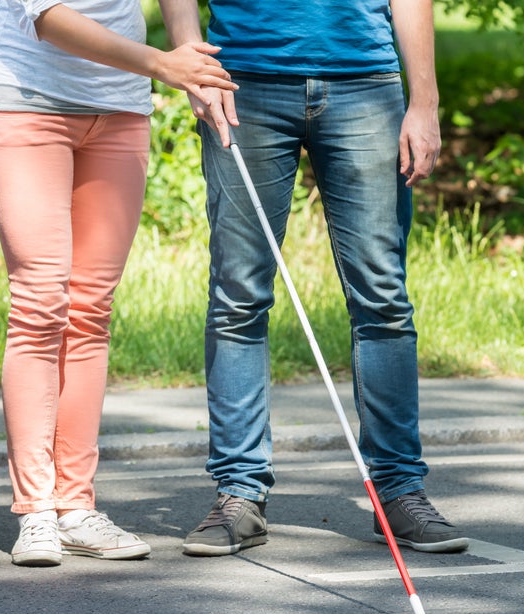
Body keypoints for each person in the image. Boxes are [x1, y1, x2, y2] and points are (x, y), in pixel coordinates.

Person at [165, 0, 470, 556]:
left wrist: (425, 101)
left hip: (366, 85)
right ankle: (239, 492)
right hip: (243, 83)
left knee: (383, 299)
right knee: (238, 296)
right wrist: (191, 60)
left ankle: (398, 490)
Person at [0, 0, 236, 567]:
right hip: (27, 104)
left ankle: (75, 506)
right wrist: (162, 64)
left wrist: (191, 57)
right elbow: (47, 17)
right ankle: (36, 512)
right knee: (41, 302)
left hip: (119, 110)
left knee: (90, 311)